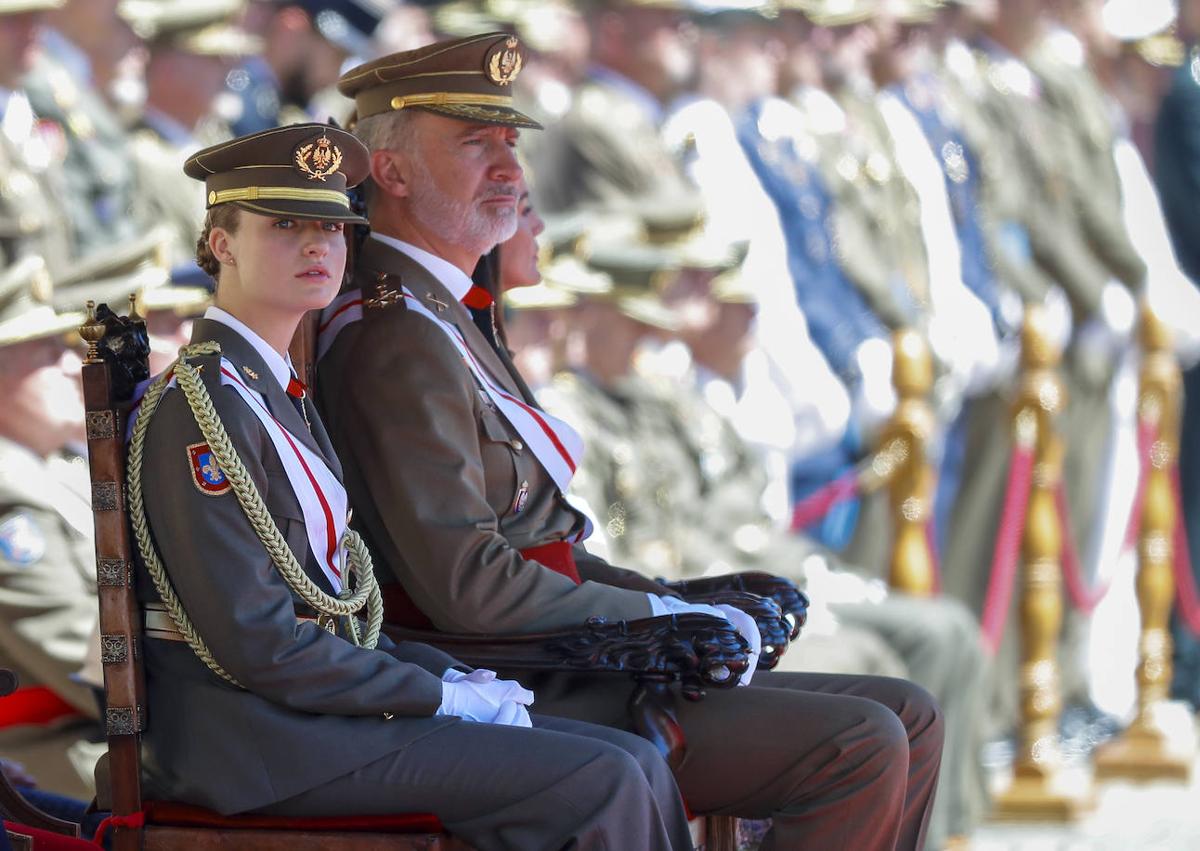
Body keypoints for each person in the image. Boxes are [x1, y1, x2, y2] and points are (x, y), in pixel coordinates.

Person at [318, 33, 944, 850]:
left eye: (510, 141)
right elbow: (465, 586)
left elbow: (548, 544)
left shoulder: (447, 313)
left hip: (557, 655)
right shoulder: (395, 333)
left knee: (909, 711)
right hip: (518, 681)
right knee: (861, 744)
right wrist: (649, 618)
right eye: (476, 145)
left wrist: (685, 598)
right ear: (392, 173)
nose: (511, 168)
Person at [127, 122, 692, 850]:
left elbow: (340, 608)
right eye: (286, 224)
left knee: (633, 760)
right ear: (221, 243)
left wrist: (451, 672)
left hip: (310, 715)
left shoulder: (272, 389)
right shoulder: (200, 405)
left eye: (333, 227)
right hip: (257, 743)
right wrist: (436, 693)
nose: (317, 246)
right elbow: (259, 643)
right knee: (603, 776)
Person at [0, 254, 98, 801]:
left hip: (111, 728)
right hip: (55, 753)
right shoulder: (7, 496)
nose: (69, 365)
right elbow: (78, 655)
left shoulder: (64, 465)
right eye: (44, 351)